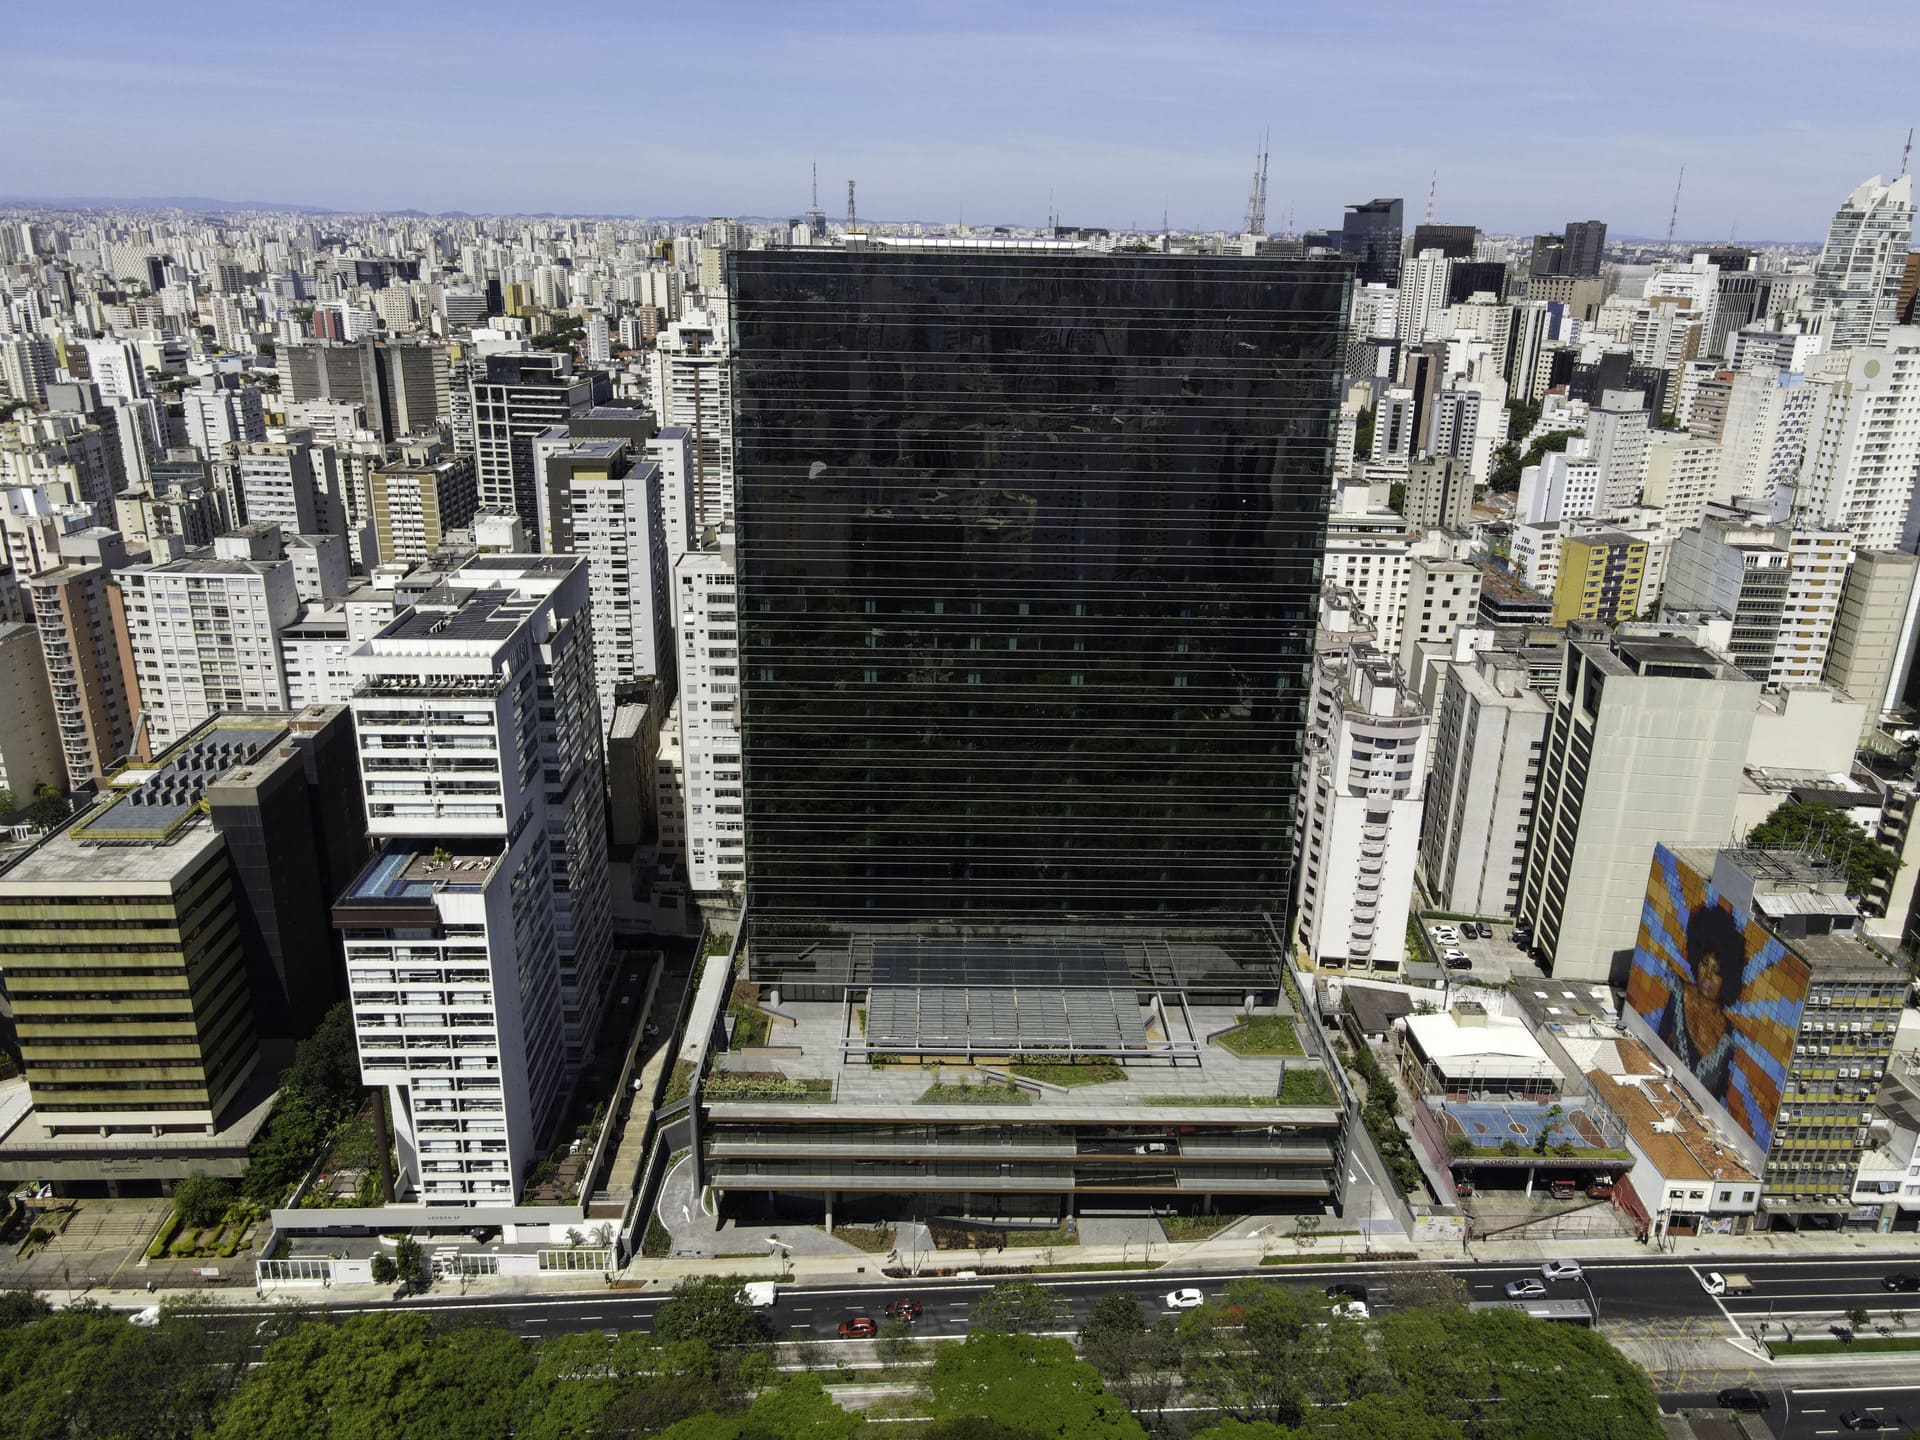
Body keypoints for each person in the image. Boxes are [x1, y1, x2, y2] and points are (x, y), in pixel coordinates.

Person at [1654, 902, 1747, 1098]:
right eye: (1705, 964)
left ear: (1728, 978)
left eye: (1717, 972)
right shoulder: (1676, 993)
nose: (1707, 976)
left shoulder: (1728, 1040)